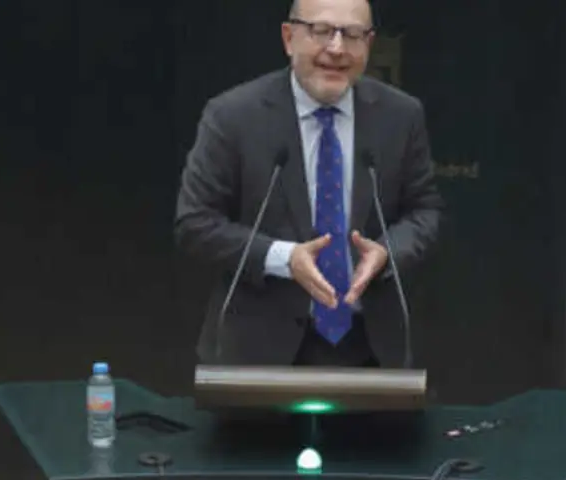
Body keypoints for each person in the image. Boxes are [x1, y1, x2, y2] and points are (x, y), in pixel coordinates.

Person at [175, 0, 442, 368]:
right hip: (258, 354)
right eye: (320, 31)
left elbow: (423, 211)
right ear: (289, 37)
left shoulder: (401, 116)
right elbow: (195, 223)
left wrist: (387, 253)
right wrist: (284, 258)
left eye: (352, 35)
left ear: (368, 43)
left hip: (373, 350)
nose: (336, 49)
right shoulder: (233, 116)